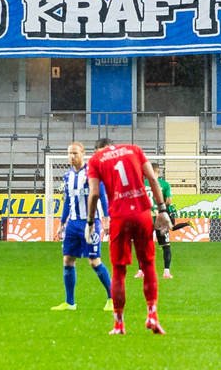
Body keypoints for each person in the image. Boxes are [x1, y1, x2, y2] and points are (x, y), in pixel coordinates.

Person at [85, 138, 167, 336]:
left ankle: (119, 324)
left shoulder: (96, 160)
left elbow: (94, 194)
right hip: (142, 213)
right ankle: (152, 315)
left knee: (119, 270)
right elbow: (153, 180)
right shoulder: (134, 149)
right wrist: (162, 209)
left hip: (119, 217)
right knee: (148, 265)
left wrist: (90, 222)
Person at [52, 141, 113, 311]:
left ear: (83, 154)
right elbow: (67, 202)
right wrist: (62, 223)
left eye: (75, 153)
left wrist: (106, 218)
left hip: (90, 223)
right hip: (73, 224)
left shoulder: (92, 173)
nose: (72, 157)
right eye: (70, 153)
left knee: (94, 261)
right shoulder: (67, 176)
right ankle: (70, 303)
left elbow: (102, 196)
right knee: (68, 260)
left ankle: (112, 298)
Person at [154, 170, 178, 279]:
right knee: (166, 245)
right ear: (158, 172)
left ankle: (141, 271)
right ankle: (166, 272)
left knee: (144, 244)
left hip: (146, 217)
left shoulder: (142, 183)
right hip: (161, 217)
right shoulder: (164, 184)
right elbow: (168, 201)